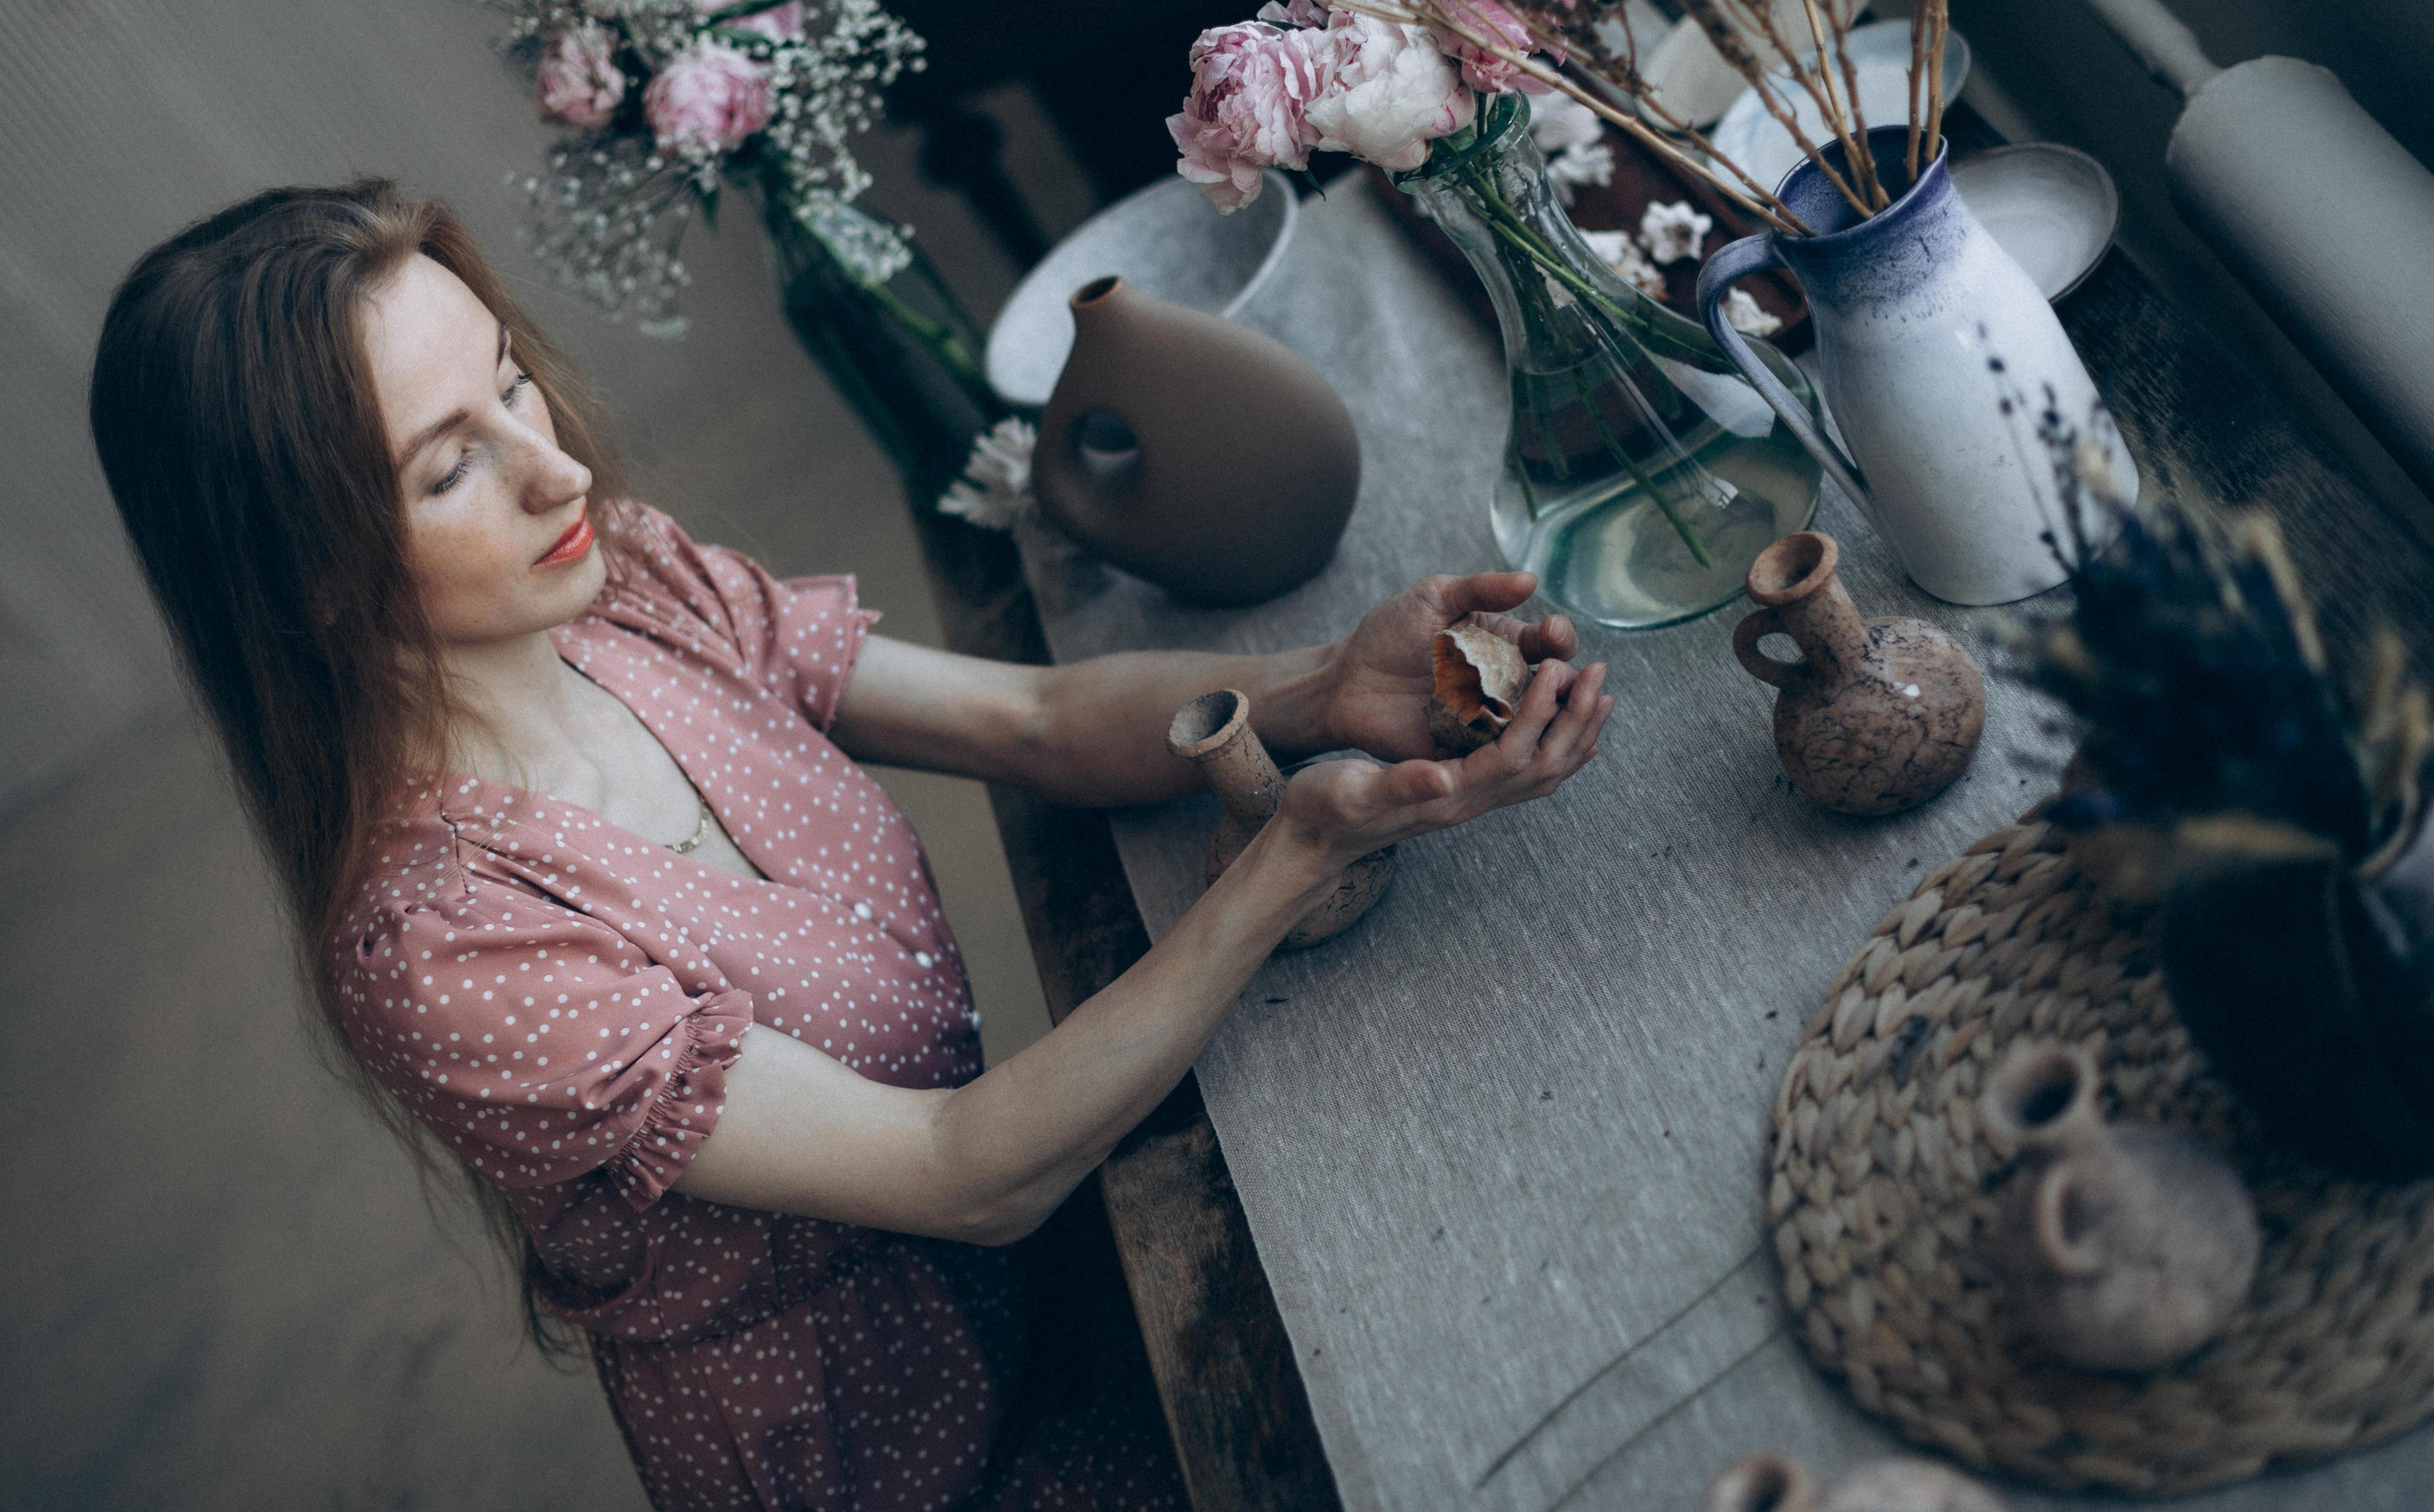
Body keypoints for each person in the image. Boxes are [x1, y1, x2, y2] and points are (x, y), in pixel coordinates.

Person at [88, 179, 1613, 1512]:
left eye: (510, 387)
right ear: (302, 580)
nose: (552, 469)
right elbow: (962, 1173)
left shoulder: (620, 578)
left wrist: (1310, 686)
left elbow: (1023, 721)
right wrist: (1285, 858)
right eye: (446, 468)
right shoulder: (446, 951)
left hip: (1062, 1263)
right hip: (907, 1457)